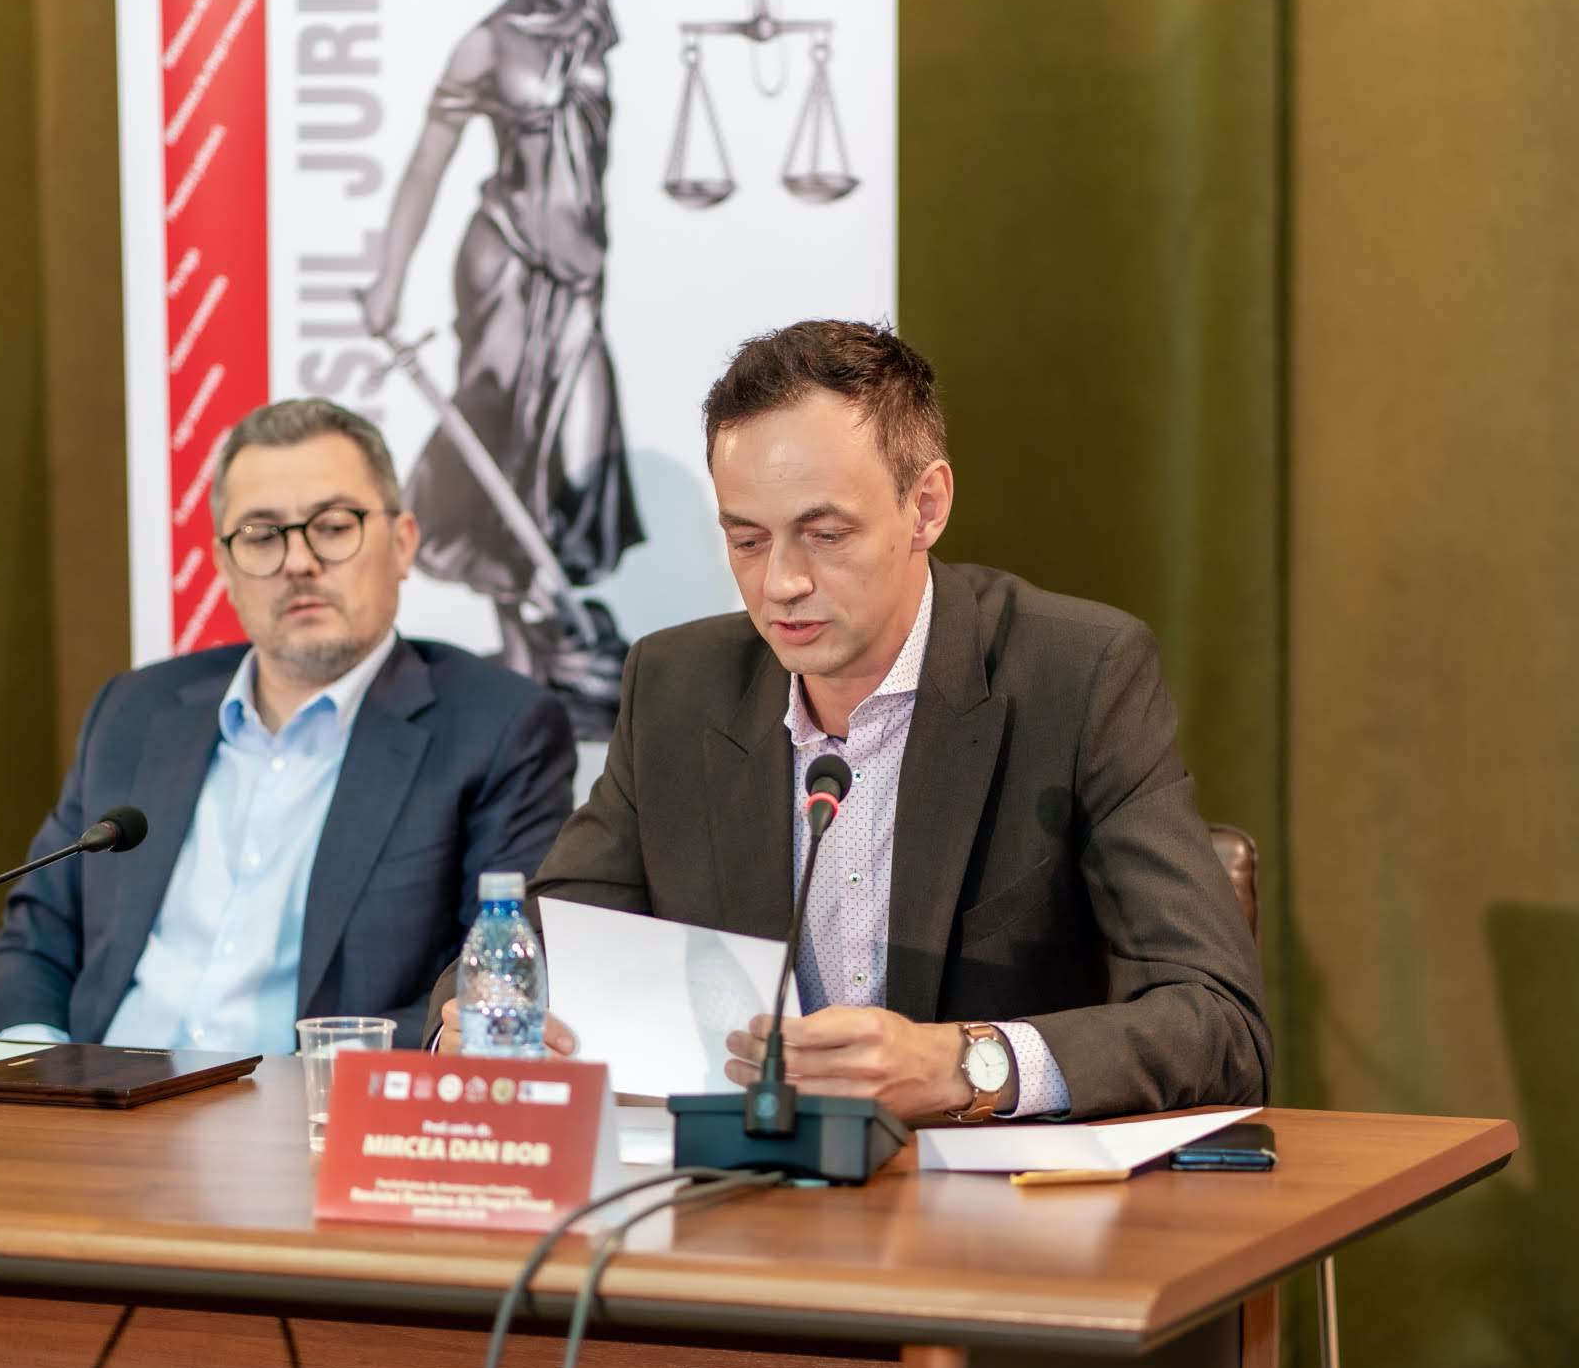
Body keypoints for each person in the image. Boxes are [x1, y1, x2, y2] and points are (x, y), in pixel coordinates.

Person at [431, 321, 1270, 1122]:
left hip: (993, 1196)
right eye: (748, 541)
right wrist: (474, 1025)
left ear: (926, 506)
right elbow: (538, 943)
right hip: (746, 1191)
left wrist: (966, 1065)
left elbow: (1219, 1022)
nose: (780, 583)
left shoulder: (1075, 676)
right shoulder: (679, 689)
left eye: (824, 534)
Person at [0, 399, 576, 1051]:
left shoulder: (498, 730)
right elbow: (34, 940)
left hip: (304, 1100)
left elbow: (492, 979)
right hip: (99, 1091)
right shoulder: (135, 710)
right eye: (262, 537)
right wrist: (36, 1070)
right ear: (224, 566)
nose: (298, 561)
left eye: (334, 527)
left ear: (403, 543)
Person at [359, 0, 674, 734]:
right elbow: (426, 167)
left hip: (579, 273)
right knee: (505, 439)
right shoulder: (486, 44)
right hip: (505, 266)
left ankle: (556, 633)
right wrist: (389, 282)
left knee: (576, 444)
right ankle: (519, 644)